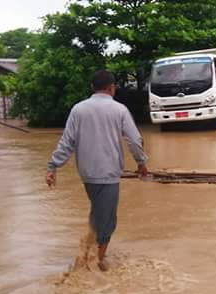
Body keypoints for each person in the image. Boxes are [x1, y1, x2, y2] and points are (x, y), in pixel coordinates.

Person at [45, 70, 148, 271]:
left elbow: (67, 142)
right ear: (111, 88)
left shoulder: (78, 110)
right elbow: (134, 140)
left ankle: (88, 253)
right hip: (108, 173)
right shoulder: (119, 110)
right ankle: (96, 263)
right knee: (107, 219)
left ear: (93, 88)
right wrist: (141, 163)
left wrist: (53, 166)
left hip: (87, 174)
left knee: (98, 212)